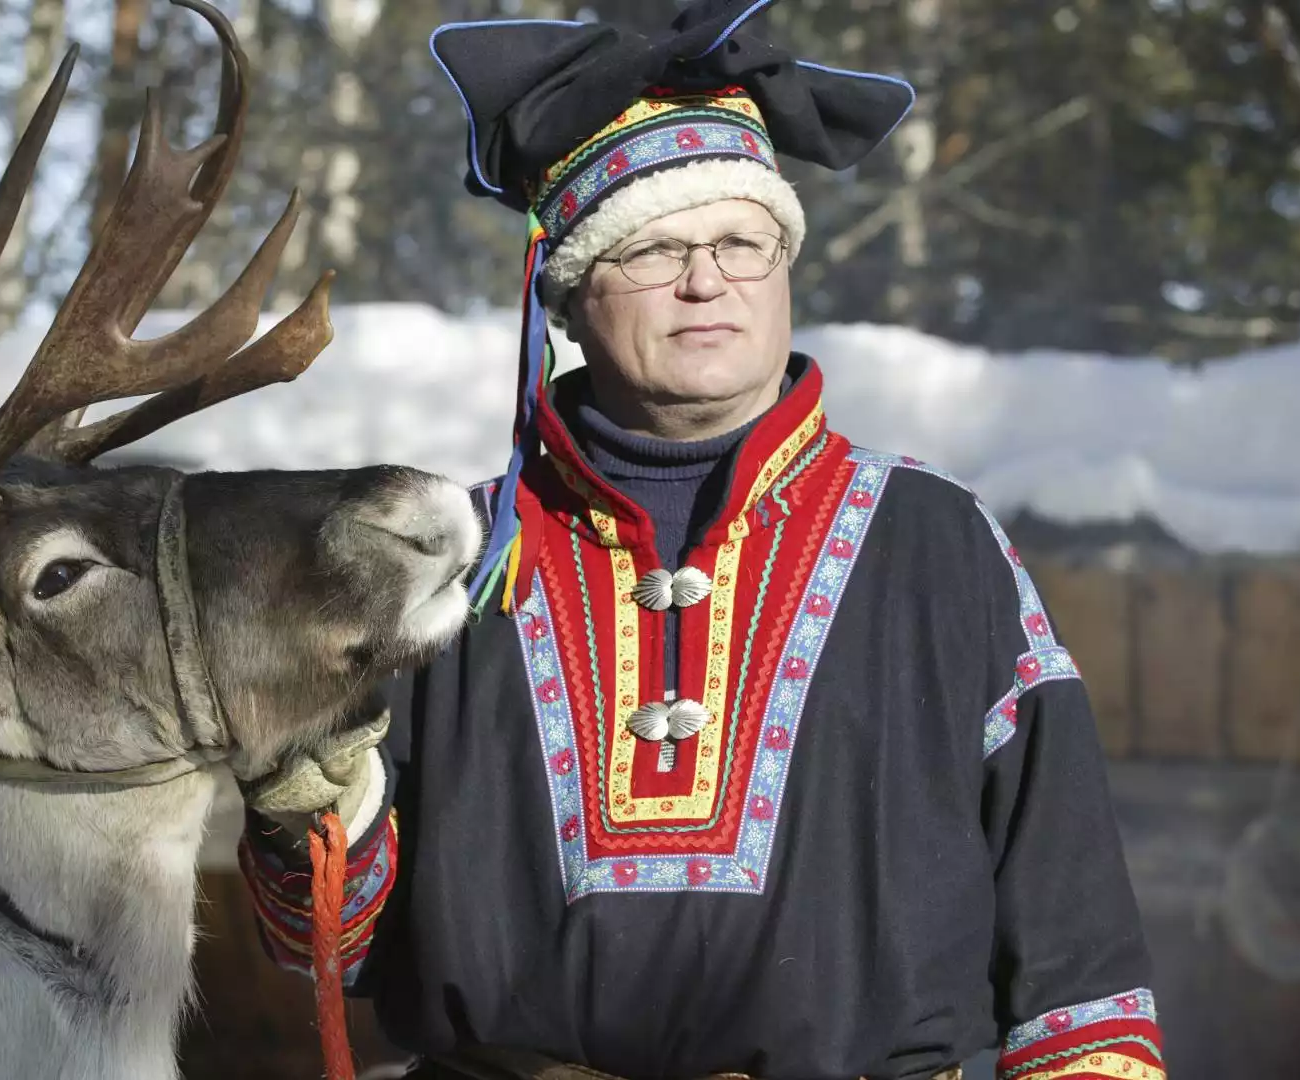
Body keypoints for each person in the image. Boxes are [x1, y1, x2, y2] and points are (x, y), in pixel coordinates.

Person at [234, 3, 1167, 1078]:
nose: (706, 279)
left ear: (784, 266)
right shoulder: (444, 565)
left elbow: (1081, 979)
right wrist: (305, 807)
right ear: (568, 298)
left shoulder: (934, 546)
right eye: (653, 248)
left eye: (742, 241)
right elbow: (323, 950)